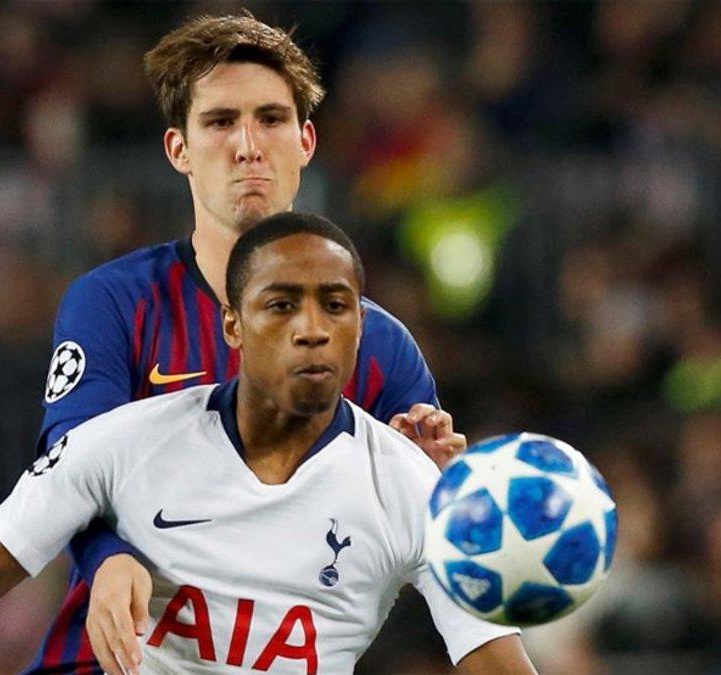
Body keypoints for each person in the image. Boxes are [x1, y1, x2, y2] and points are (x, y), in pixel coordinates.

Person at [0, 213, 534, 674]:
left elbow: (491, 657)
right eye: (282, 304)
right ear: (234, 328)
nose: (313, 326)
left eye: (335, 306)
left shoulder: (413, 486)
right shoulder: (127, 444)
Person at [39, 15, 476, 673]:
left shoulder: (380, 346)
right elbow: (69, 464)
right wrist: (109, 556)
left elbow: (419, 570)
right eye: (219, 122)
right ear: (178, 149)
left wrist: (431, 497)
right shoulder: (115, 304)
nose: (248, 144)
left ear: (305, 141)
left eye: (271, 119)